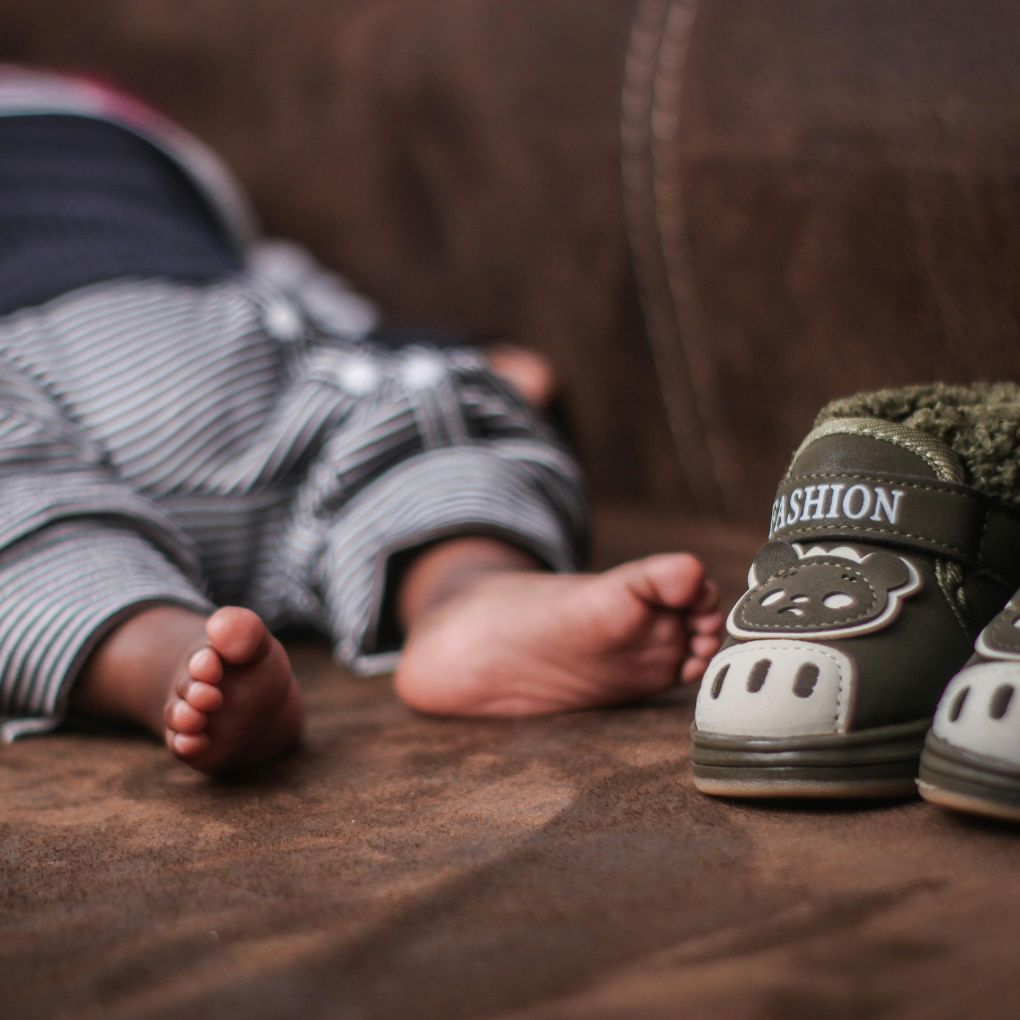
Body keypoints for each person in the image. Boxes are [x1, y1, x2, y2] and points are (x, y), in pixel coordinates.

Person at [0, 67, 722, 775]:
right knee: (409, 426)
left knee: (18, 535)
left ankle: (162, 656)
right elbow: (326, 316)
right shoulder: (104, 127)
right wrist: (451, 360)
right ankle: (465, 589)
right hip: (206, 348)